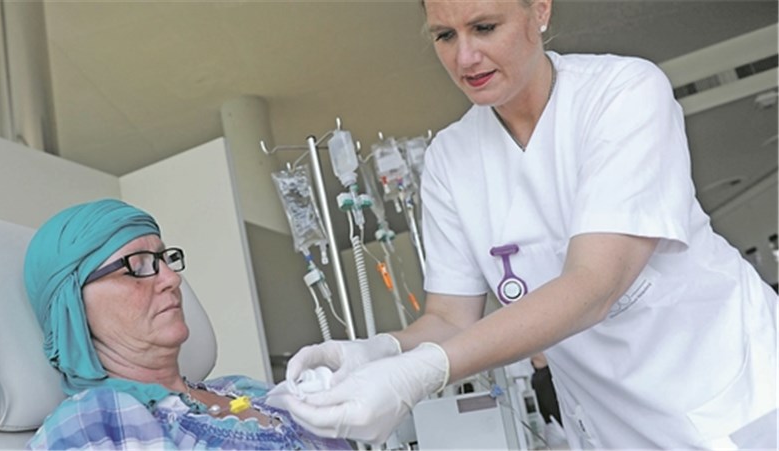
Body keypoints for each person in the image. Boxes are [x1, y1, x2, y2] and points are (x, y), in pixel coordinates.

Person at [266, 0, 778, 448]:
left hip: (732, 396)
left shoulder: (622, 93)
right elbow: (449, 318)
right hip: (614, 424)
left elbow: (594, 285)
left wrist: (420, 373)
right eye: (445, 36)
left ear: (540, 9)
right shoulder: (449, 158)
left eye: (484, 27)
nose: (465, 57)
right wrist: (381, 351)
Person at [23, 199, 351, 450]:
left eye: (164, 259)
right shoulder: (92, 423)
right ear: (73, 306)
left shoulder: (247, 389)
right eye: (137, 266)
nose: (172, 278)